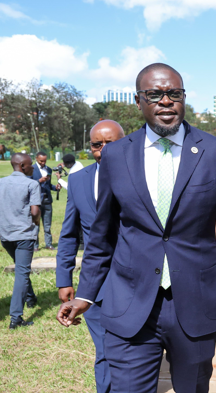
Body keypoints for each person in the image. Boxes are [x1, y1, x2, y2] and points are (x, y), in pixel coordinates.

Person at [56, 63, 216, 393]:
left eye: (174, 94)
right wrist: (85, 295)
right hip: (129, 304)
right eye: (155, 94)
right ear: (139, 101)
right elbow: (103, 236)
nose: (166, 101)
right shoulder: (116, 156)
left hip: (196, 305)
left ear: (183, 98)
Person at [56, 120, 125, 393]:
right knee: (104, 349)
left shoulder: (143, 177)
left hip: (138, 281)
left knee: (131, 350)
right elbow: (69, 233)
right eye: (97, 145)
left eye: (112, 143)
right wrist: (64, 278)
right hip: (95, 285)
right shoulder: (77, 181)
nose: (104, 150)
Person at [0, 153, 41, 329]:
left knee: (21, 267)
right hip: (24, 235)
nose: (33, 167)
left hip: (5, 235)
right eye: (31, 164)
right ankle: (16, 318)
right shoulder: (31, 184)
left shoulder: (1, 182)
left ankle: (31, 298)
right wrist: (36, 224)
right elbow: (34, 212)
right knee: (22, 273)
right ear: (23, 166)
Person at [32, 152, 60, 251]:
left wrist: (55, 187)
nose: (43, 163)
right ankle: (35, 245)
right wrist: (39, 181)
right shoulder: (31, 169)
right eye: (41, 161)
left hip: (47, 199)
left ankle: (49, 244)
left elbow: (48, 185)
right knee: (36, 225)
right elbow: (27, 184)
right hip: (36, 200)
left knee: (47, 224)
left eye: (45, 161)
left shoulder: (48, 169)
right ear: (36, 158)